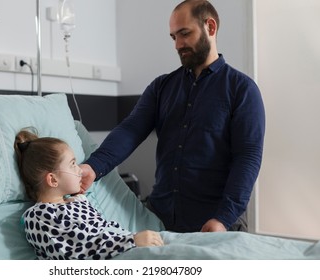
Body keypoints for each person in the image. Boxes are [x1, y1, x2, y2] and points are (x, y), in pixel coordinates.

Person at [80, 0, 266, 233]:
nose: (178, 44)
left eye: (185, 33)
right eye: (173, 37)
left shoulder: (242, 89)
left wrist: (223, 218)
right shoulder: (162, 87)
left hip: (217, 223)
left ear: (210, 27)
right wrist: (93, 167)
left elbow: (247, 158)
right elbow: (131, 129)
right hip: (162, 221)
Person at [14, 129, 163, 260]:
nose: (79, 169)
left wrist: (133, 238)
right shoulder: (38, 217)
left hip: (124, 245)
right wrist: (132, 241)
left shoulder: (78, 200)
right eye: (72, 164)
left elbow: (104, 230)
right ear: (53, 179)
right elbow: (75, 254)